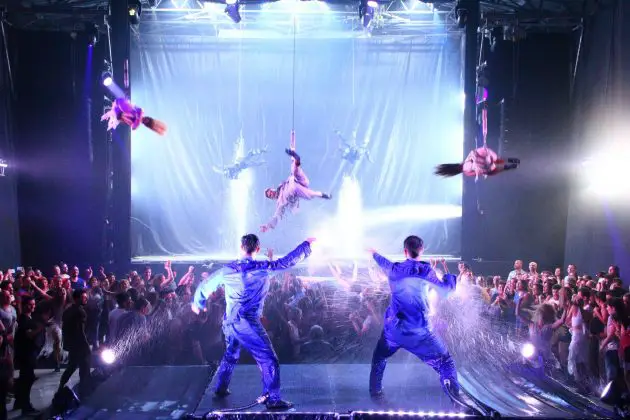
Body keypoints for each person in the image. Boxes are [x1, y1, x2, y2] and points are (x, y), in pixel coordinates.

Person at [191, 234, 315, 410]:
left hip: (229, 322)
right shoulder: (262, 268)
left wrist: (198, 303)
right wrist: (306, 245)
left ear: (241, 247)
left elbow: (206, 285)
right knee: (269, 359)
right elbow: (287, 262)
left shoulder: (227, 270)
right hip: (246, 322)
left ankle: (221, 388)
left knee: (231, 354)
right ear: (257, 249)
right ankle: (272, 399)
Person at [367, 236, 460, 402]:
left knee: (379, 356)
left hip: (394, 331)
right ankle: (455, 398)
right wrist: (448, 277)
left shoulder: (394, 268)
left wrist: (373, 252)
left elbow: (382, 261)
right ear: (422, 250)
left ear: (405, 251)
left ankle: (376, 394)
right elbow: (446, 291)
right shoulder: (426, 271)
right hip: (420, 332)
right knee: (445, 362)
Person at [260, 132, 332, 232]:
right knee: (310, 195)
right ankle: (324, 195)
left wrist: (292, 137)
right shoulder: (280, 203)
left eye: (270, 191)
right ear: (272, 198)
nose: (271, 193)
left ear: (272, 189)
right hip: (294, 191)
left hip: (297, 182)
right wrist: (268, 226)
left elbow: (292, 148)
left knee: (294, 168)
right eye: (269, 195)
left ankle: (296, 158)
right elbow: (276, 217)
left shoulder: (282, 185)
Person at [58, 289, 91, 399]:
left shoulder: (68, 310)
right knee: (84, 369)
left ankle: (60, 388)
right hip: (80, 345)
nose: (86, 299)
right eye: (84, 297)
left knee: (71, 367)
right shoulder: (80, 312)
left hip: (72, 345)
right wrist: (86, 345)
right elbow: (80, 331)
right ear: (77, 298)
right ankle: (84, 393)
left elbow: (65, 329)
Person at [434, 147, 519, 178]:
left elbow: (478, 173)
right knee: (499, 159)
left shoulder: (466, 172)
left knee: (500, 168)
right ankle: (513, 160)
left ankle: (511, 166)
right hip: (487, 160)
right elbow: (475, 154)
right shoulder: (465, 161)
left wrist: (485, 171)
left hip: (487, 168)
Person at [101, 97, 167, 135]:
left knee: (109, 119)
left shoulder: (136, 123)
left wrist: (136, 119)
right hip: (120, 108)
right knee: (110, 115)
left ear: (145, 124)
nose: (145, 120)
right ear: (148, 117)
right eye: (147, 119)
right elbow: (132, 106)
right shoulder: (140, 111)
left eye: (146, 122)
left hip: (119, 114)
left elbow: (133, 126)